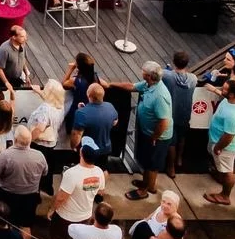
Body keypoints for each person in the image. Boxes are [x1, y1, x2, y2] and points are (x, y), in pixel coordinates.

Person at [41, 137, 106, 239]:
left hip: (66, 215)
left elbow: (61, 197)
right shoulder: (99, 172)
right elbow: (101, 192)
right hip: (85, 215)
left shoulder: (72, 174)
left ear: (81, 153)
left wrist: (52, 210)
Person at [114, 62, 173, 199]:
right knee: (147, 161)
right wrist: (111, 84)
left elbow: (164, 121)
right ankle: (148, 184)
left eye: (143, 71)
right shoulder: (148, 84)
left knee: (152, 165)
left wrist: (155, 137)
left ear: (148, 75)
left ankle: (144, 190)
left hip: (158, 137)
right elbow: (132, 86)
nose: (141, 72)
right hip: (148, 132)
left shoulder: (160, 96)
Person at [0, 126, 45, 239]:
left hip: (7, 195)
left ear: (15, 139)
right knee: (26, 225)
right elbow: (45, 172)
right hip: (30, 196)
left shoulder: (5, 155)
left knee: (4, 223)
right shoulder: (39, 156)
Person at [203, 78, 235, 207]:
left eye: (225, 89)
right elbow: (224, 94)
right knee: (222, 168)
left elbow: (229, 136)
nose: (222, 89)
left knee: (228, 171)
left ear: (232, 94)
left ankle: (224, 196)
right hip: (218, 142)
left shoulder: (233, 115)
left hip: (225, 148)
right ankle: (219, 174)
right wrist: (215, 90)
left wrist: (218, 148)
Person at [162, 51, 197, 177]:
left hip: (171, 113)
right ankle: (179, 159)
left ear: (173, 61)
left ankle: (171, 167)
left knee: (172, 141)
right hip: (185, 113)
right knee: (182, 138)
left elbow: (160, 73)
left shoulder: (167, 76)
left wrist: (168, 69)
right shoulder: (193, 79)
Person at [71, 82, 118, 162]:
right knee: (103, 170)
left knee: (87, 171)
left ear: (88, 95)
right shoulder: (110, 106)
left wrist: (73, 147)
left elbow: (77, 135)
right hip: (105, 148)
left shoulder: (82, 113)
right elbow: (114, 122)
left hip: (88, 150)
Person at [0, 25, 31, 93]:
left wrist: (26, 75)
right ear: (14, 37)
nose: (25, 38)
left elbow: (23, 60)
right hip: (4, 82)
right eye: (22, 36)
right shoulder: (4, 49)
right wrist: (6, 83)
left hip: (17, 79)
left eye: (25, 36)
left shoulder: (22, 45)